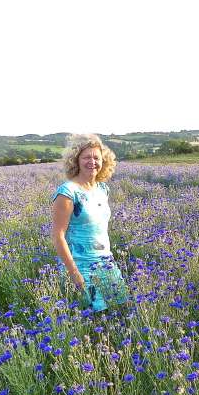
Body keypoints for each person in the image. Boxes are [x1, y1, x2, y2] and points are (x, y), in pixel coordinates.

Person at [51, 133, 128, 312]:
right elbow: (58, 236)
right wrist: (74, 273)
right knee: (94, 320)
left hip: (107, 264)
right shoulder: (68, 192)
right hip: (82, 266)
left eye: (96, 157)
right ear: (76, 160)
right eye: (86, 157)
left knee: (120, 312)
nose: (92, 161)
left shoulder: (102, 189)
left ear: (104, 161)